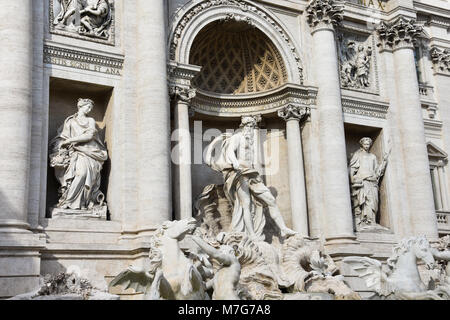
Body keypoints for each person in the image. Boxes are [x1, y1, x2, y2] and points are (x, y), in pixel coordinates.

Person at [205, 116, 296, 240]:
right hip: (241, 173)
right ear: (244, 127)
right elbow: (231, 151)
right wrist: (235, 162)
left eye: (252, 126)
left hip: (252, 174)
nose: (251, 129)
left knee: (271, 200)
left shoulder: (251, 140)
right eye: (249, 126)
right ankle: (252, 235)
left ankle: (283, 229)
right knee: (245, 204)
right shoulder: (237, 137)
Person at [50, 98, 108, 211]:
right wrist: (61, 144)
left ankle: (81, 203)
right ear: (80, 106)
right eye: (88, 107)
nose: (90, 109)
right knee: (78, 175)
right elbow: (62, 137)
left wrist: (70, 141)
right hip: (75, 153)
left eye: (91, 108)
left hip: (89, 152)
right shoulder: (70, 121)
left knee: (83, 174)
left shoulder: (90, 120)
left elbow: (89, 136)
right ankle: (68, 202)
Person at [349, 137, 389, 229]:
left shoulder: (373, 157)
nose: (367, 146)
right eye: (365, 144)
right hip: (363, 181)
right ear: (362, 145)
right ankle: (365, 220)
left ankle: (372, 221)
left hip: (372, 182)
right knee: (365, 201)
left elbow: (377, 171)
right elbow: (352, 168)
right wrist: (352, 180)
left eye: (368, 144)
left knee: (373, 202)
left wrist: (384, 161)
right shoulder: (357, 155)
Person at [189, 235, 241, 300]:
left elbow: (216, 255)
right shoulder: (219, 273)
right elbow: (204, 286)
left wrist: (196, 239)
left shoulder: (234, 261)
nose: (220, 253)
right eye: (220, 251)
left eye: (222, 251)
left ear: (231, 252)